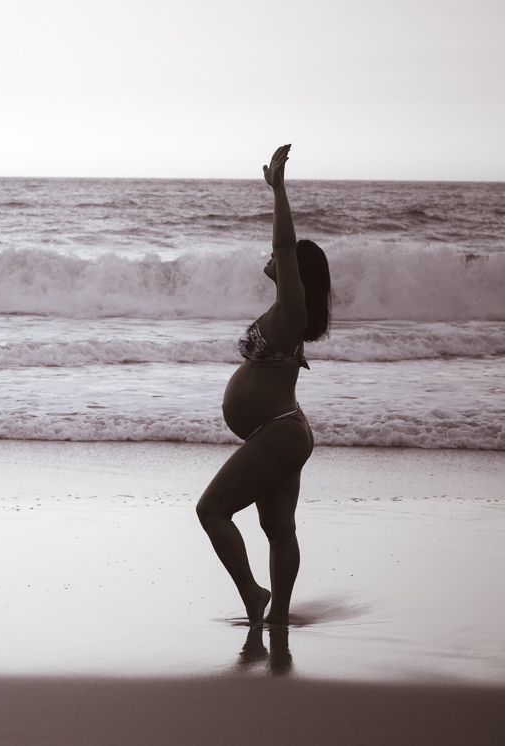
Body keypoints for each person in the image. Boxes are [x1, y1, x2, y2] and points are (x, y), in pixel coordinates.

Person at [196, 144, 332, 627]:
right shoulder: (283, 314)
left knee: (211, 510)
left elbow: (281, 246)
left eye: (286, 261)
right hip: (282, 431)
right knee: (277, 527)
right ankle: (279, 618)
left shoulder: (293, 311)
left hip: (279, 431)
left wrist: (278, 190)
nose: (271, 260)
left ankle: (256, 596)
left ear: (298, 273)